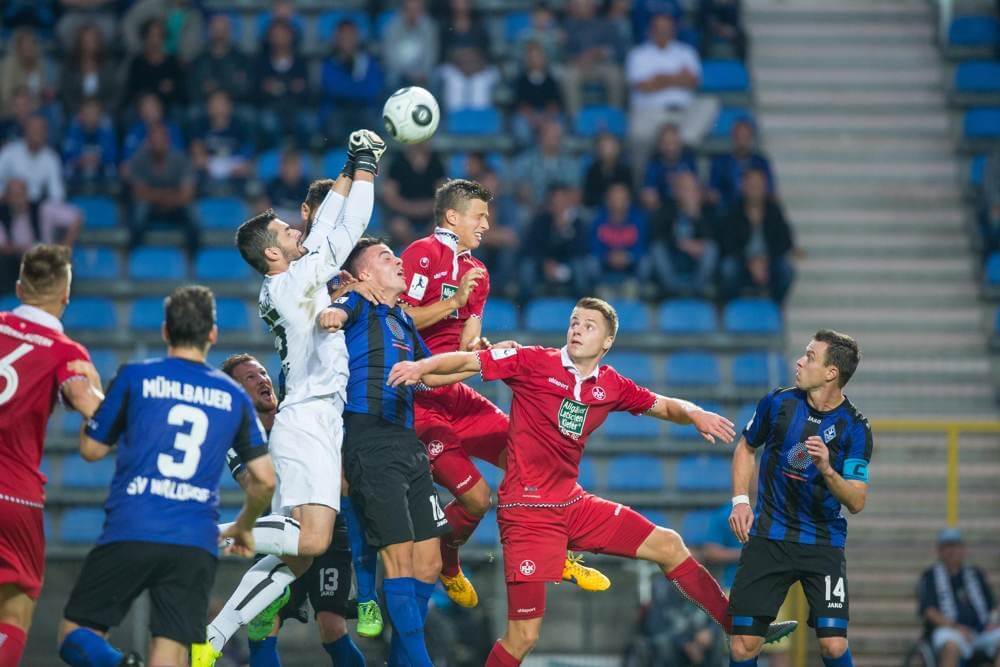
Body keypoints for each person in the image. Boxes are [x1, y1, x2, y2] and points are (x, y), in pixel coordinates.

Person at [388, 298, 797, 665]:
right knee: (523, 638)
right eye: (574, 322)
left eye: (588, 325)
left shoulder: (610, 385)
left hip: (573, 505)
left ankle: (735, 625)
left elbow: (663, 405)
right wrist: (421, 368)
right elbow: (466, 363)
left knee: (669, 544)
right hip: (527, 515)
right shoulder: (534, 361)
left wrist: (694, 414)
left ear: (607, 342)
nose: (577, 329)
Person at [193, 129, 384, 666]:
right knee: (311, 541)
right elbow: (347, 225)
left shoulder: (292, 281)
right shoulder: (295, 280)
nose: (298, 229)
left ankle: (210, 640)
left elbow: (327, 227)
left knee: (299, 557)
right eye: (286, 229)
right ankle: (214, 531)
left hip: (313, 419)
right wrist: (366, 166)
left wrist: (349, 166)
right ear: (273, 252)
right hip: (308, 421)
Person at [399, 180, 609, 608]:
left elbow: (467, 340)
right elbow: (397, 317)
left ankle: (558, 553)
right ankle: (448, 563)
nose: (486, 224)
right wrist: (452, 301)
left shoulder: (478, 272)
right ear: (452, 217)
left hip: (455, 393)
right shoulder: (423, 253)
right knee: (478, 499)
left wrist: (485, 349)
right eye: (479, 216)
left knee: (533, 461)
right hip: (419, 401)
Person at [55, 285, 276, 667]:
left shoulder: (135, 377)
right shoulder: (234, 397)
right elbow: (266, 480)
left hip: (132, 527)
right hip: (194, 541)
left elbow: (92, 450)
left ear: (165, 331)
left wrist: (89, 400)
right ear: (212, 334)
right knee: (170, 656)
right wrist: (244, 525)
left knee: (75, 636)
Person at [317, 237, 452, 666]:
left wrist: (479, 361)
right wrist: (335, 309)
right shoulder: (358, 301)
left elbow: (431, 374)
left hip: (407, 441)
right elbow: (332, 313)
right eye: (385, 257)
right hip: (369, 438)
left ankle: (402, 658)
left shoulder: (402, 318)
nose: (398, 261)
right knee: (399, 559)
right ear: (364, 274)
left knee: (429, 563)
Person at [727, 329, 872, 667]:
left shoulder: (856, 428)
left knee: (833, 645)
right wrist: (740, 501)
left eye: (809, 356)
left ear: (831, 372)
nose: (799, 361)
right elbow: (746, 447)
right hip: (769, 537)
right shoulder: (778, 402)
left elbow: (856, 501)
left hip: (822, 543)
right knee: (743, 646)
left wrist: (827, 470)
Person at [220, 353, 365, 667]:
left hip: (326, 529)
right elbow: (255, 485)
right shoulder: (236, 437)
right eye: (250, 377)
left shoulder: (298, 412)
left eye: (262, 373)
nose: (262, 380)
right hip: (279, 536)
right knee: (262, 625)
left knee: (332, 625)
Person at [0, 244, 105, 666]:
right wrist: (99, 394)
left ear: (19, 288)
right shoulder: (67, 352)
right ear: (65, 294)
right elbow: (92, 408)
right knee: (13, 613)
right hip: (14, 498)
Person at [626, 13, 719, 168]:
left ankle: (682, 141)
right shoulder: (638, 54)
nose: (663, 33)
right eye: (659, 29)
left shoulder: (686, 52)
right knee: (638, 135)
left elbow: (693, 81)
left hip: (684, 114)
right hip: (651, 112)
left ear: (674, 31)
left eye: (667, 29)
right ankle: (644, 177)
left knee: (711, 102)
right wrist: (678, 77)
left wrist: (659, 78)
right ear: (651, 30)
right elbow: (643, 86)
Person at [917, 528, 1000, 667]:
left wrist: (992, 622)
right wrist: (956, 628)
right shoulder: (930, 576)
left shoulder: (976, 574)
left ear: (963, 549)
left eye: (955, 546)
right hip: (949, 631)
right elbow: (929, 611)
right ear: (939, 551)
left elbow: (992, 606)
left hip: (981, 632)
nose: (952, 551)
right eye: (947, 546)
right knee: (951, 646)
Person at [718, 168, 795, 304]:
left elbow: (785, 241)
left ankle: (776, 305)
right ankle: (731, 306)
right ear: (743, 187)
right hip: (742, 263)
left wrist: (765, 261)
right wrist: (750, 262)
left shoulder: (773, 210)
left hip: (768, 262)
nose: (755, 189)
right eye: (751, 185)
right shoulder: (733, 211)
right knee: (728, 268)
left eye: (758, 185)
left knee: (786, 270)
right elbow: (727, 243)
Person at [125, 122, 199, 255]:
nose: (158, 144)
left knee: (191, 211)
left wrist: (156, 195)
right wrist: (167, 195)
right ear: (149, 142)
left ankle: (193, 256)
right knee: (139, 209)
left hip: (175, 207)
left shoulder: (181, 159)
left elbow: (187, 194)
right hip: (151, 208)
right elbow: (138, 192)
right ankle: (134, 254)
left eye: (161, 140)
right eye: (154, 141)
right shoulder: (139, 159)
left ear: (168, 141)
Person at [0, 179, 82, 292]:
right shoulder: (2, 215)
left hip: (44, 260)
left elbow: (76, 216)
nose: (17, 199)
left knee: (61, 265)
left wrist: (65, 245)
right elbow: (4, 247)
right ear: (6, 197)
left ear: (27, 195)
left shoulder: (43, 209)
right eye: (13, 195)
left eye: (20, 194)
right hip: (16, 263)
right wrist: (22, 249)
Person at [0, 114, 65, 203]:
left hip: (37, 206)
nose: (37, 133)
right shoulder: (9, 151)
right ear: (25, 131)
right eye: (33, 129)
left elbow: (56, 193)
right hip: (8, 203)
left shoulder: (52, 158)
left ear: (46, 133)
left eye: (40, 130)